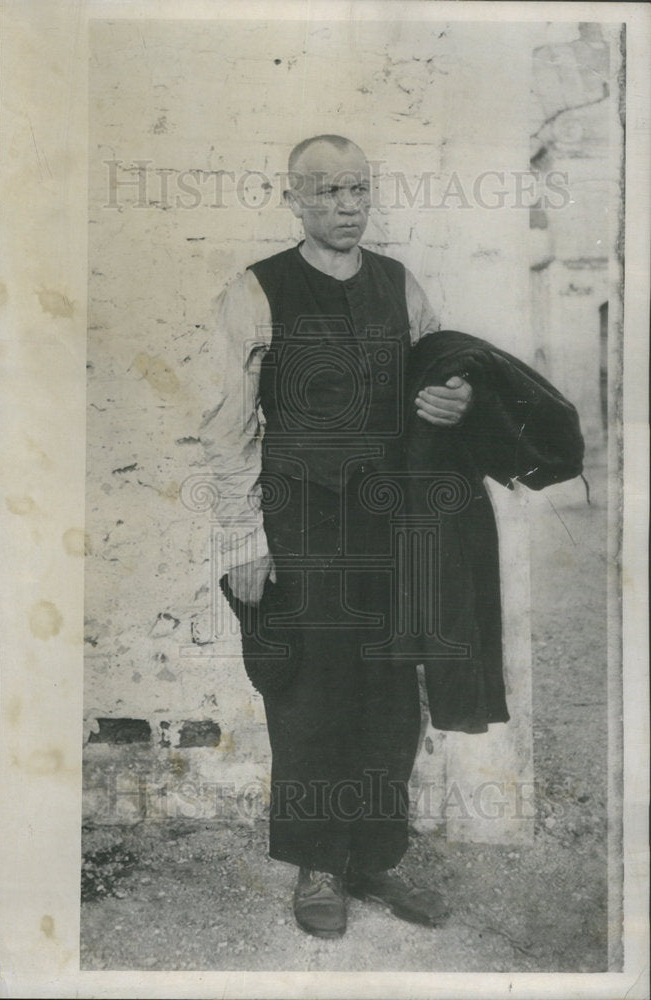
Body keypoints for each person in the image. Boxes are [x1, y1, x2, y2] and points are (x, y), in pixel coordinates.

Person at [200, 134, 476, 939]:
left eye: (359, 189)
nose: (348, 205)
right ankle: (319, 862)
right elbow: (225, 427)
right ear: (293, 199)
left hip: (394, 523)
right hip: (299, 521)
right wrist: (243, 538)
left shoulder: (400, 283)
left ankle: (374, 858)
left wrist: (453, 397)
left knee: (392, 695)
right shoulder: (258, 290)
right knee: (311, 692)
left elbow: (444, 374)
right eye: (327, 192)